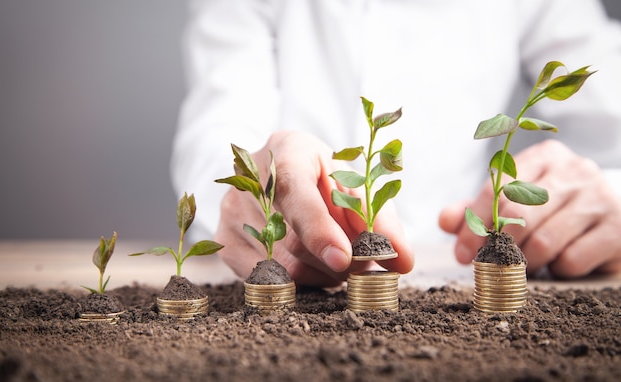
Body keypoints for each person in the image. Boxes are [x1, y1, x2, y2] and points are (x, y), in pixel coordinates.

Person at [171, 0, 621, 287]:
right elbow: (218, 130)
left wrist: (610, 194)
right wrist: (251, 188)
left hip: (458, 269)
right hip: (291, 283)